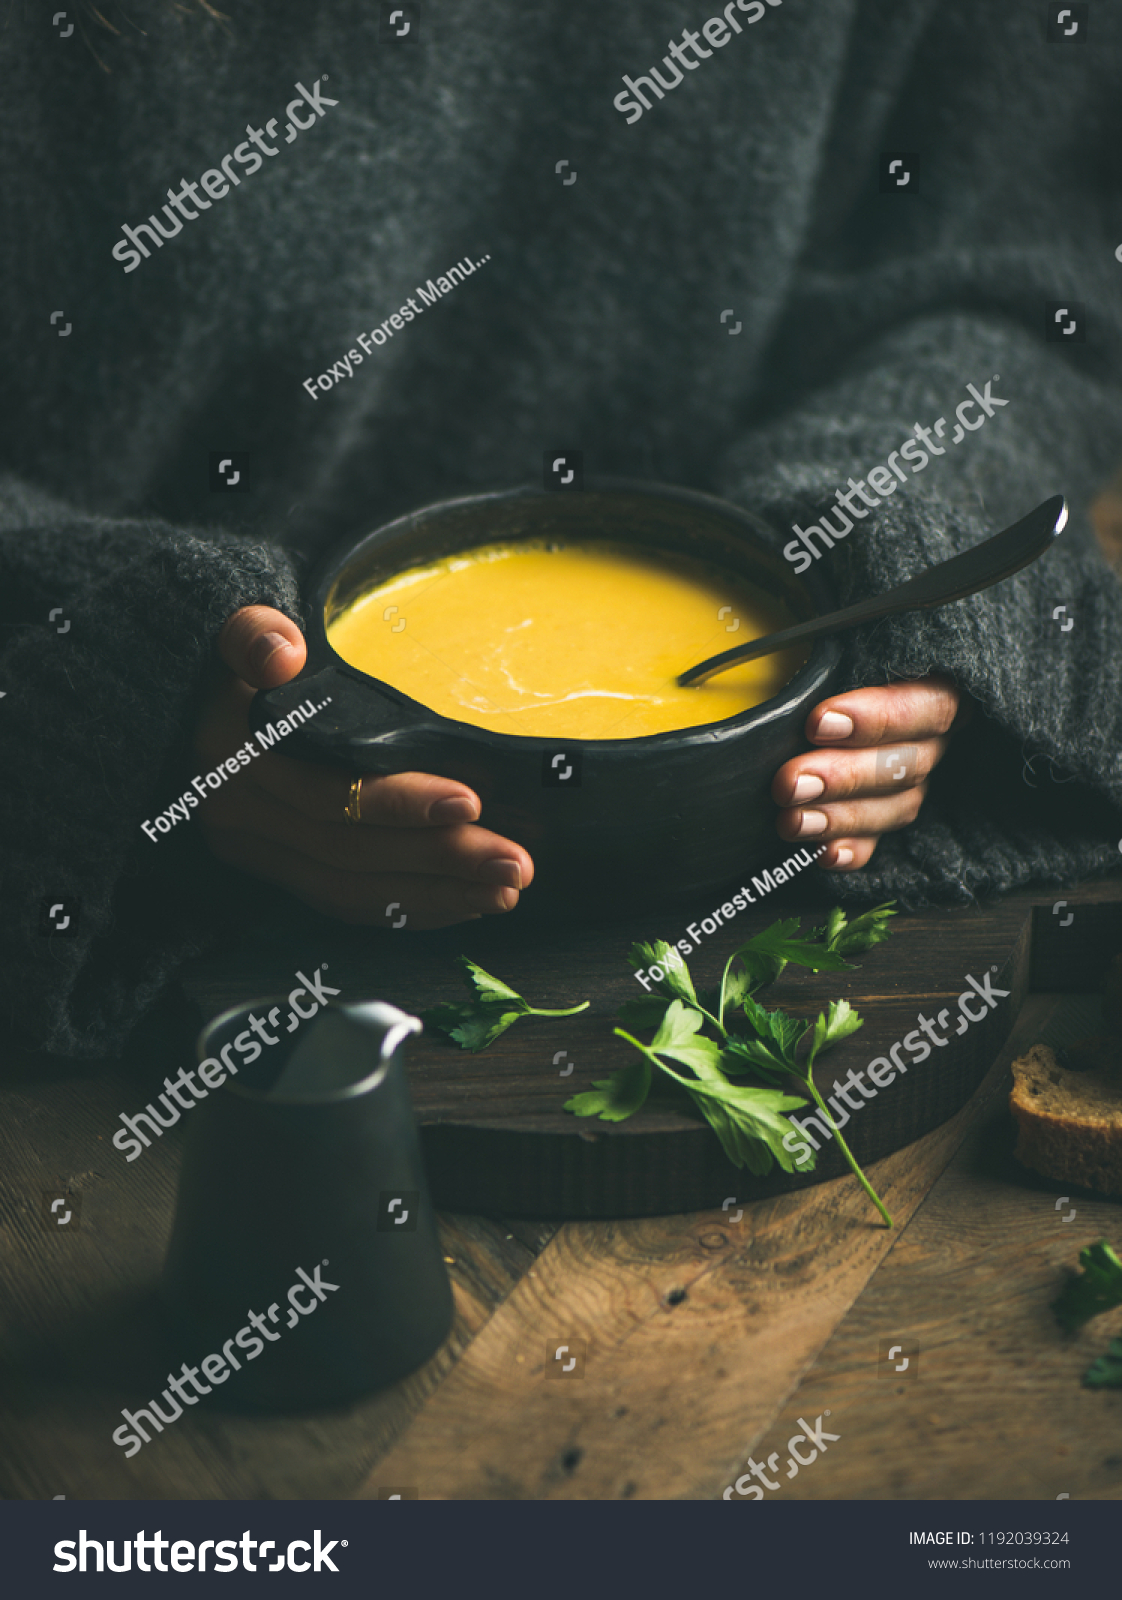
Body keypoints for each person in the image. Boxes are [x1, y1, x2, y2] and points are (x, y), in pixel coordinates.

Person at [4, 0, 1121, 1059]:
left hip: (790, 932)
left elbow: (1026, 263)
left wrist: (886, 536)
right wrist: (111, 675)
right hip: (128, 996)